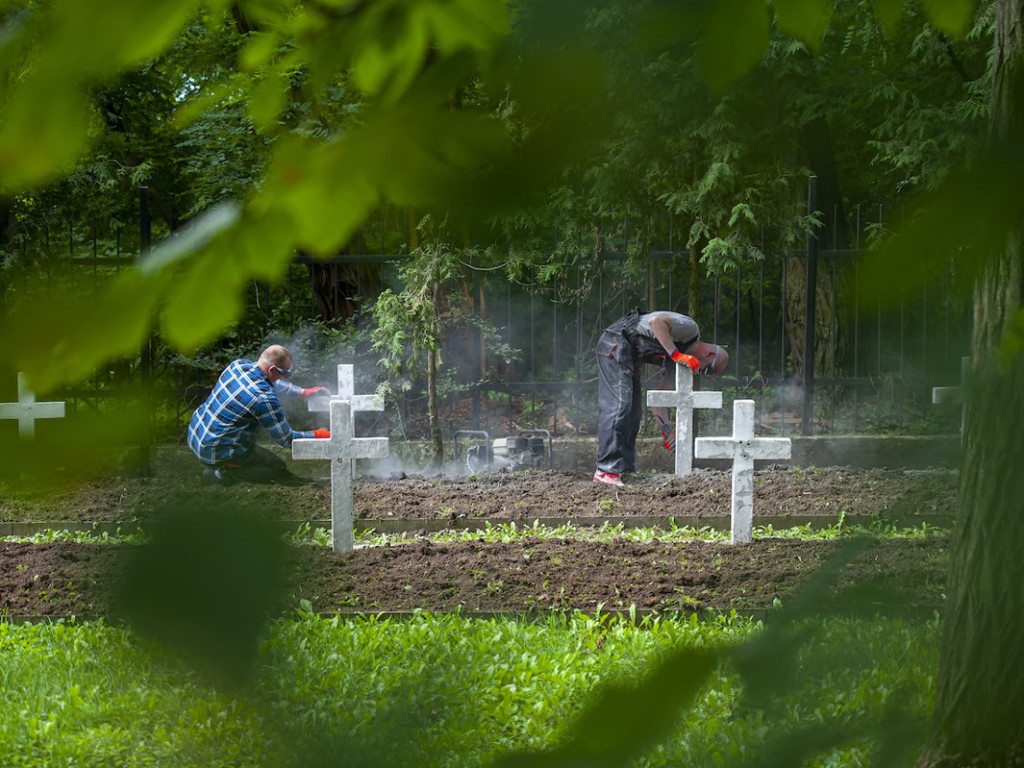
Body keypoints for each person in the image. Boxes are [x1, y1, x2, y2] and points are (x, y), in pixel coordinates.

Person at [594, 309, 728, 486]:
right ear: (710, 354)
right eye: (708, 369)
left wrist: (666, 429)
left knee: (633, 412)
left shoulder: (681, 362)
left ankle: (624, 469)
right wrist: (675, 353)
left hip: (628, 356)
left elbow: (661, 401)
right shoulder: (689, 330)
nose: (702, 373)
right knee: (619, 405)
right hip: (616, 343)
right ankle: (605, 470)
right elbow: (656, 322)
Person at [187, 344, 331, 485]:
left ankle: (224, 467)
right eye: (285, 373)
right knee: (277, 468)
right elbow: (287, 440)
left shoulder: (238, 366)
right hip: (217, 449)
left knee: (270, 461)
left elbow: (272, 383)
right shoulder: (264, 398)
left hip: (197, 435)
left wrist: (302, 392)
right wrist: (318, 435)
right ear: (273, 369)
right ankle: (220, 475)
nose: (285, 377)